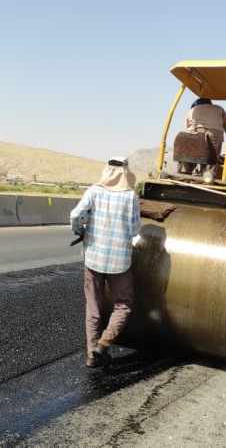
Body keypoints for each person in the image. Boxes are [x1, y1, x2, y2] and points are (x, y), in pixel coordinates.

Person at [70, 157, 141, 368]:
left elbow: (75, 215)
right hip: (120, 262)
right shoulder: (131, 196)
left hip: (93, 259)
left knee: (93, 307)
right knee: (123, 305)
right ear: (125, 173)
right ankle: (103, 344)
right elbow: (135, 230)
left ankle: (92, 354)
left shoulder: (94, 191)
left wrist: (80, 231)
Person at [180, 98, 226, 175]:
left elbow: (185, 131)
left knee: (190, 159)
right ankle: (209, 176)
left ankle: (185, 174)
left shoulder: (191, 111)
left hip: (194, 132)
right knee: (212, 161)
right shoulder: (219, 109)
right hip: (214, 133)